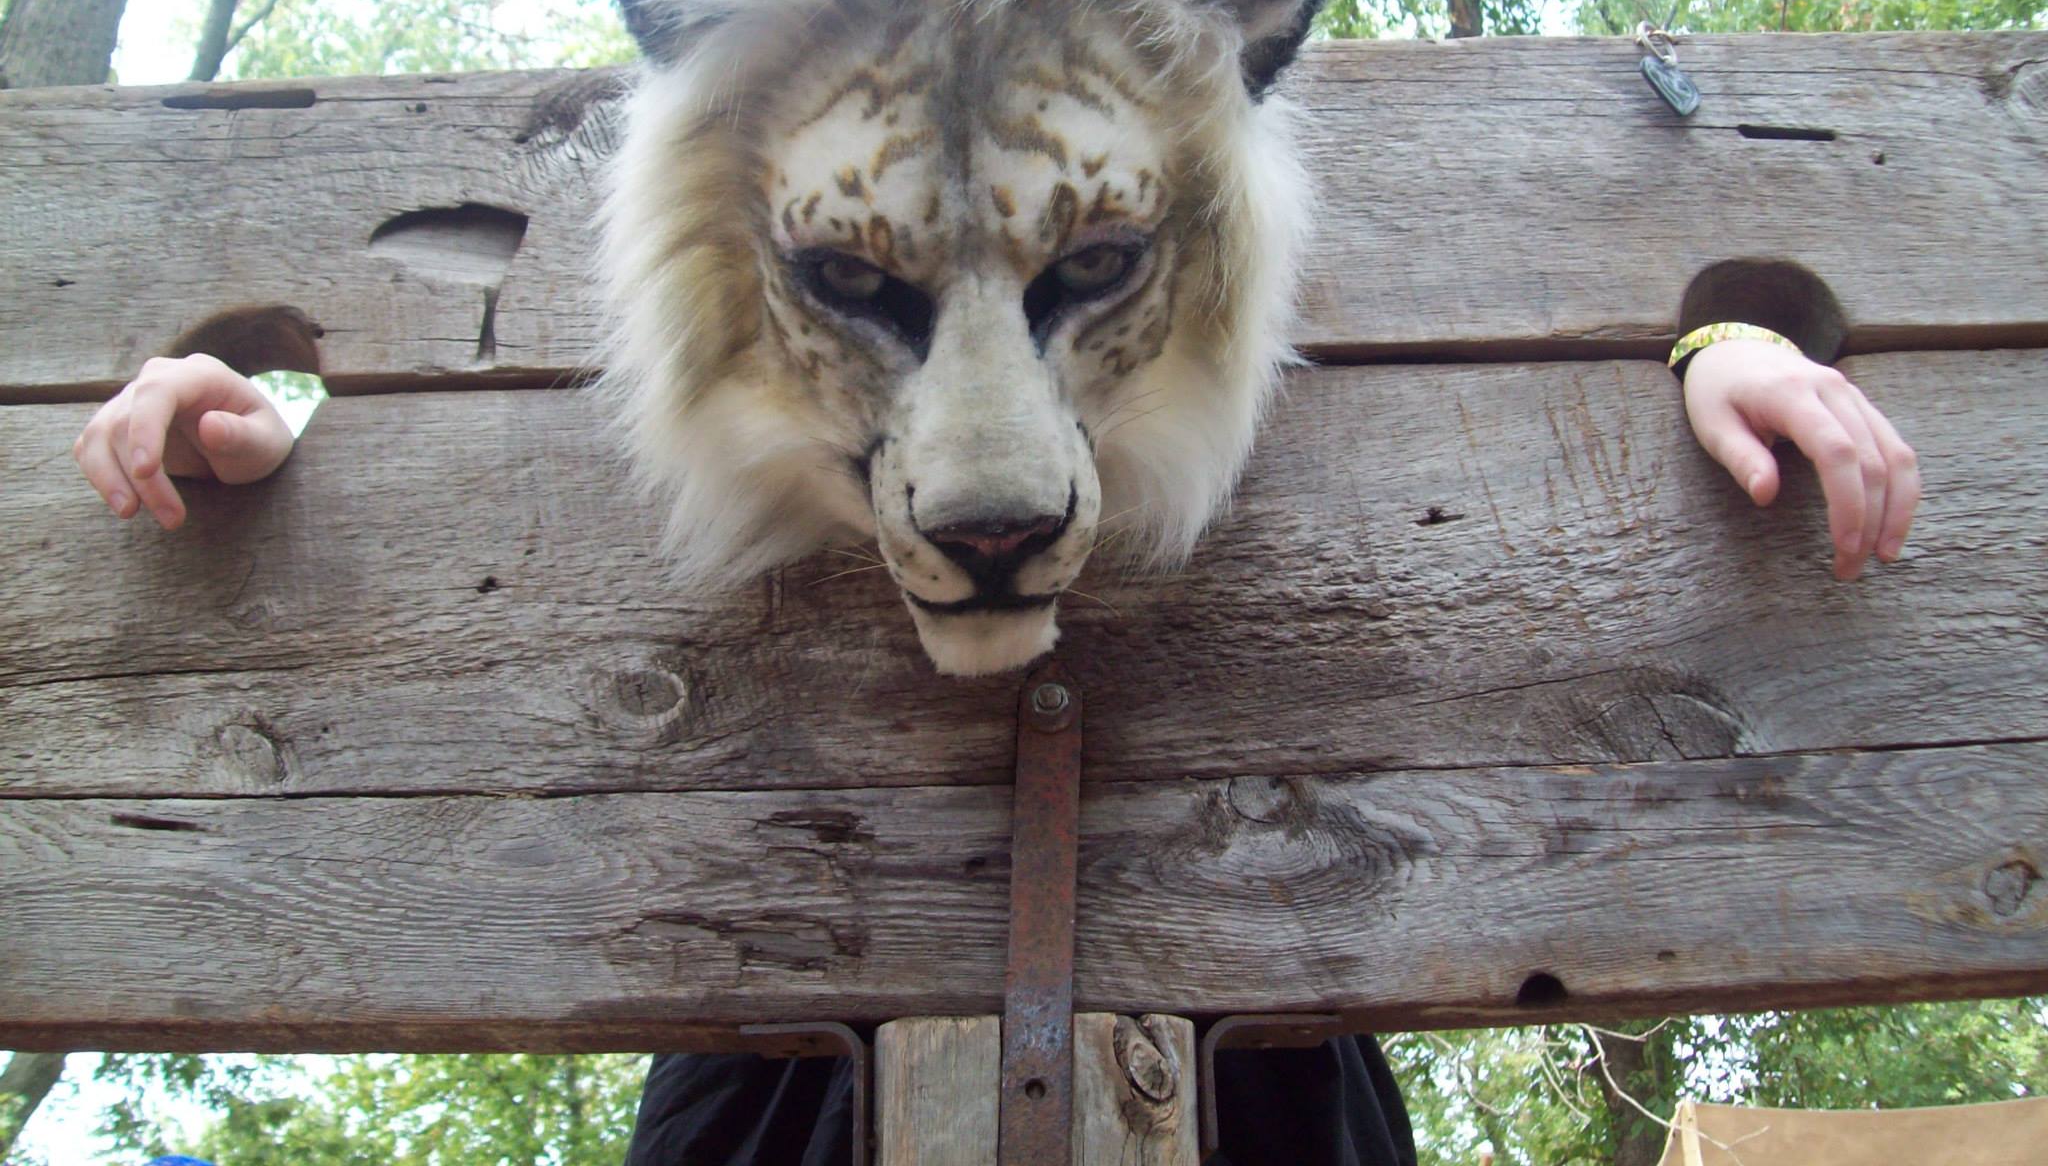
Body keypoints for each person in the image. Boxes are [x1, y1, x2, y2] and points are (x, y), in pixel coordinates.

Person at [71, 316, 1919, 1164]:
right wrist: (272, 439)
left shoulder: (1232, 321)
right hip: (781, 1035)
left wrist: (1714, 349)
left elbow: (1523, 374)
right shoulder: (746, 347)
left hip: (1263, 1039)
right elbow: (505, 509)